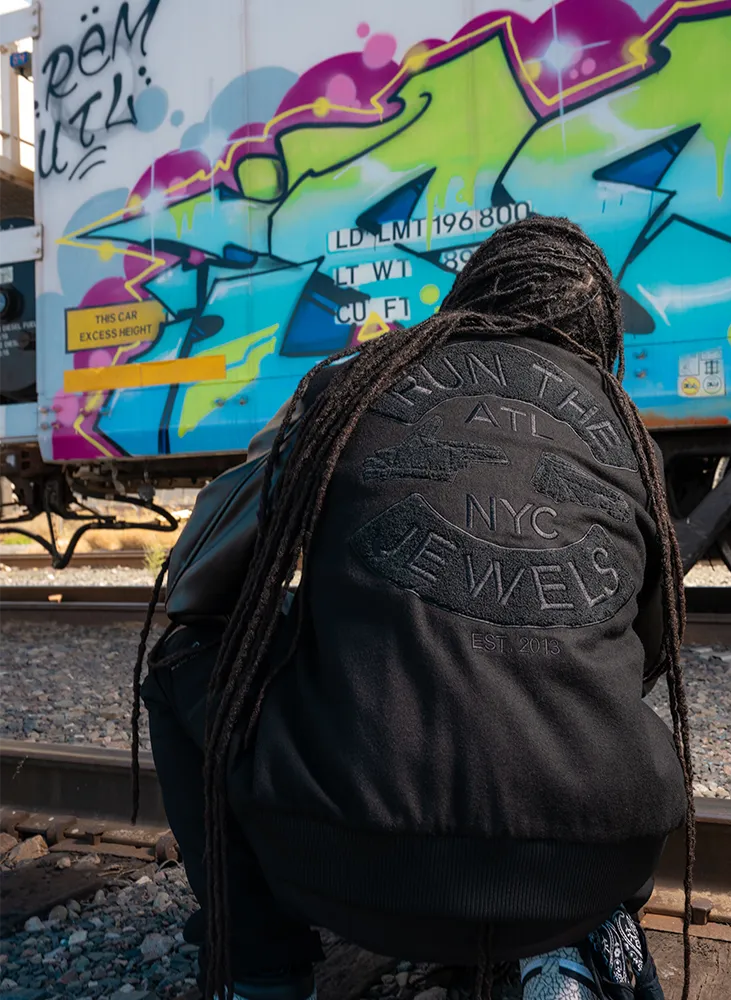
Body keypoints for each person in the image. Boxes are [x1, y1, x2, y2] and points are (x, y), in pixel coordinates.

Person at [132, 216, 694, 1000]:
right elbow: (651, 648)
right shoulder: (626, 430)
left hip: (350, 868)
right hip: (594, 864)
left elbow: (196, 586)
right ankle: (567, 952)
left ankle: (255, 969)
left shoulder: (357, 379)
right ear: (602, 337)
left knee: (181, 664)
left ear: (468, 296)